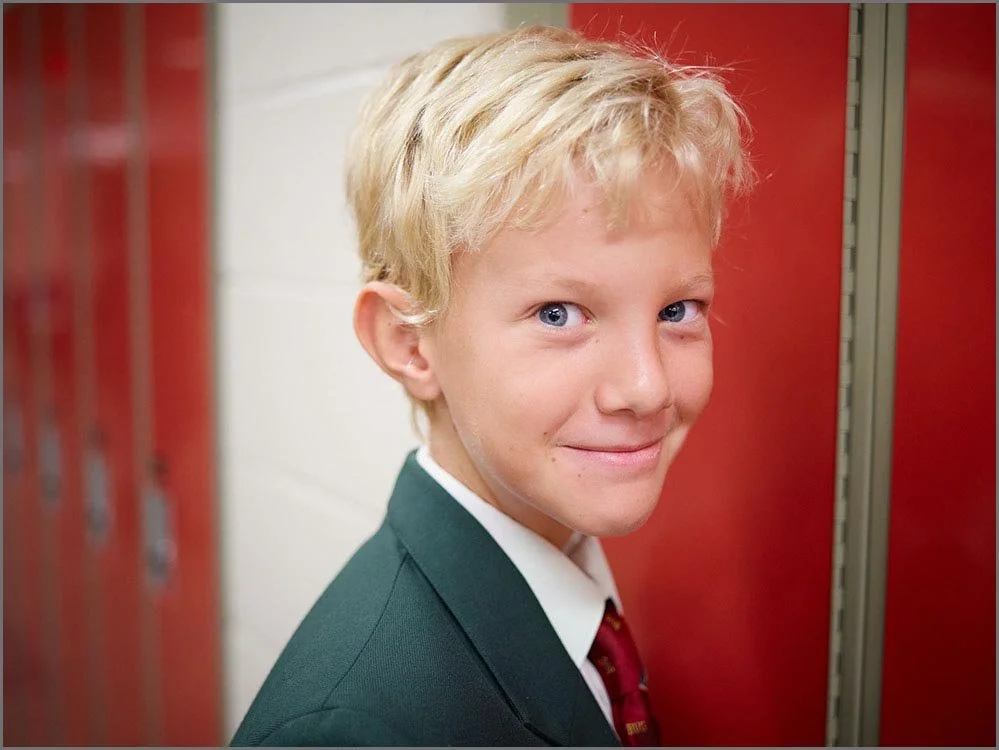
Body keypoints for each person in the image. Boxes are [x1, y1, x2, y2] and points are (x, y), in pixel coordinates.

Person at [231, 23, 751, 747]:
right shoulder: (352, 729)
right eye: (558, 314)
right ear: (409, 343)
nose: (645, 386)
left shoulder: (564, 587)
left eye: (676, 310)